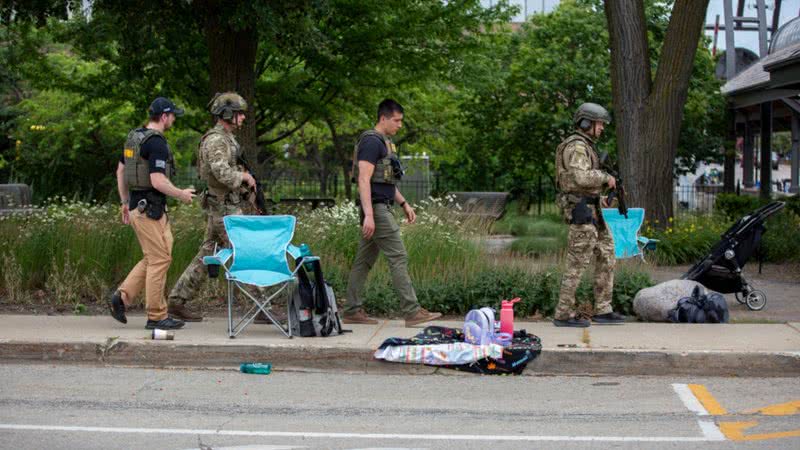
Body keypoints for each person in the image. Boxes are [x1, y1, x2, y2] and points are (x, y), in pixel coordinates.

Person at [343, 99, 442, 327]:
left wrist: (404, 204)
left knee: (364, 260)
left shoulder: (385, 143)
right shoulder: (371, 141)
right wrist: (368, 215)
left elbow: (385, 182)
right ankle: (412, 311)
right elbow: (363, 179)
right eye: (396, 120)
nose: (399, 125)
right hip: (376, 209)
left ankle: (351, 310)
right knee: (398, 256)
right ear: (383, 118)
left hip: (382, 205)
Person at [166, 92, 259, 319]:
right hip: (225, 208)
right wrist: (244, 178)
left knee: (208, 254)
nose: (243, 118)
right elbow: (222, 174)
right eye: (239, 114)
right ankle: (260, 305)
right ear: (227, 114)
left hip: (223, 205)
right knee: (243, 251)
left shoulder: (225, 138)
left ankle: (177, 300)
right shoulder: (217, 140)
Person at [109, 97, 195, 330]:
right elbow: (157, 181)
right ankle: (156, 316)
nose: (174, 119)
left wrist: (125, 202)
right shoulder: (156, 142)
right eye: (173, 115)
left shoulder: (134, 137)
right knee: (160, 259)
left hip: (140, 206)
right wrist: (181, 194)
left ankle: (123, 296)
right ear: (164, 116)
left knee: (157, 254)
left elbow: (121, 170)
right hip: (150, 210)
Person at [553, 102, 626, 327]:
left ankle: (603, 309)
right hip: (581, 212)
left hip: (592, 209)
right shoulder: (576, 147)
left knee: (607, 254)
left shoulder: (586, 146)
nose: (602, 128)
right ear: (586, 123)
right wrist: (605, 178)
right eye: (599, 124)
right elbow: (580, 178)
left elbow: (584, 184)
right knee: (577, 262)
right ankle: (563, 313)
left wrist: (599, 197)